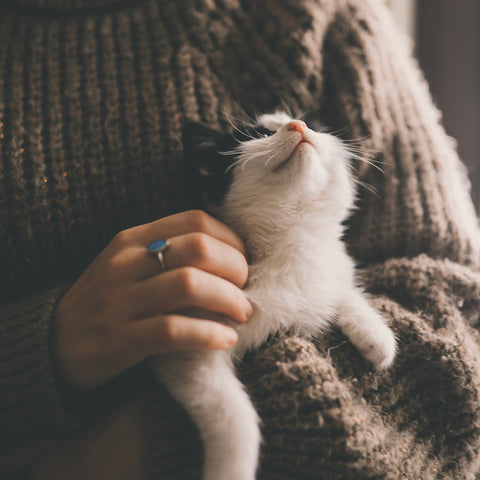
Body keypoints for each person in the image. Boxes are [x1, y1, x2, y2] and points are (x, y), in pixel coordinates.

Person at [1, 0, 480, 478]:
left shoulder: (322, 16)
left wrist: (149, 443)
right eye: (264, 130)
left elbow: (458, 324)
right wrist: (33, 355)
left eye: (310, 125)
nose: (298, 127)